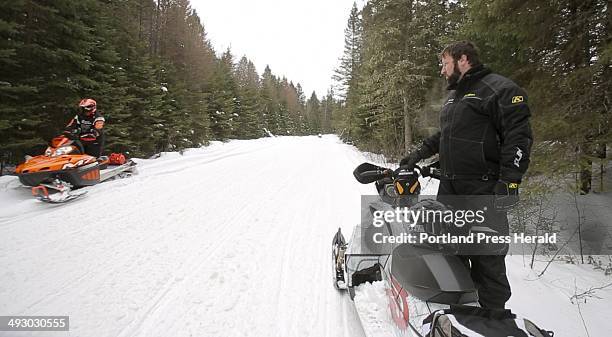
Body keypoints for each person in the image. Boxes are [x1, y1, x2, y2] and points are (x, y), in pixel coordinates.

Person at [400, 41, 533, 309]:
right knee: (451, 256)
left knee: (488, 263)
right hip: (450, 191)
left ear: (463, 60)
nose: (441, 70)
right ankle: (459, 317)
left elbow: (518, 138)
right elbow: (446, 137)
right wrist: (416, 155)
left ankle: (494, 321)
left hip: (482, 192)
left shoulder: (500, 89)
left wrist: (509, 181)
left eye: (444, 63)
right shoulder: (454, 97)